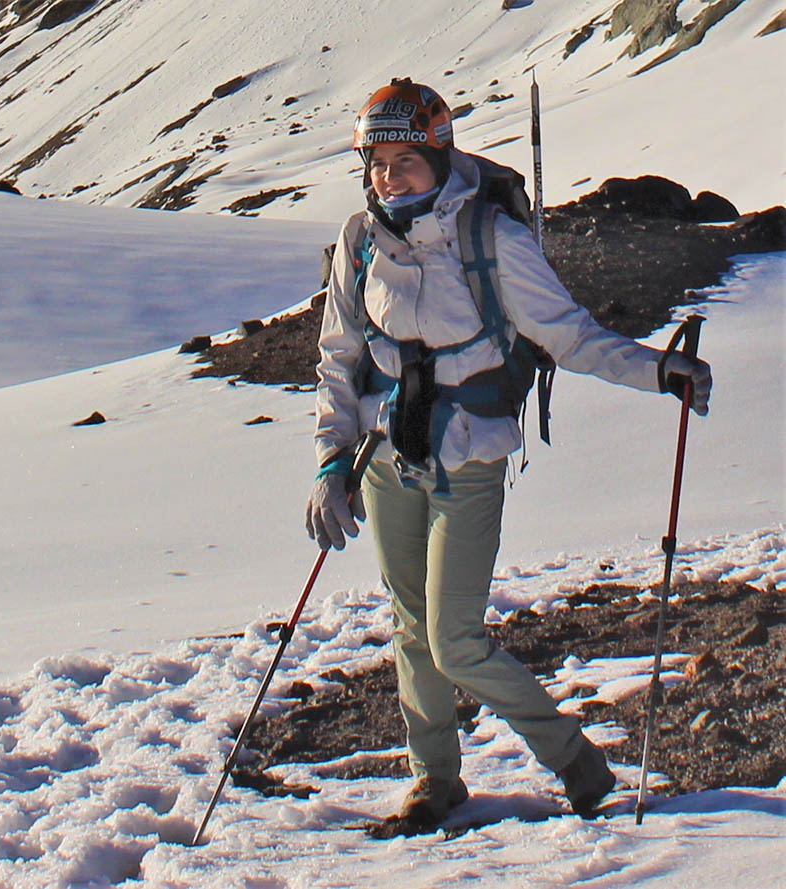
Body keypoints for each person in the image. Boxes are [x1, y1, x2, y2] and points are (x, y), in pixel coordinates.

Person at [305, 78, 712, 823]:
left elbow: (570, 335)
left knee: (452, 638)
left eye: (404, 161)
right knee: (408, 624)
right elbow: (339, 358)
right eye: (376, 163)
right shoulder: (359, 243)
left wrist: (658, 370)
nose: (387, 177)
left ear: (440, 153)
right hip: (388, 454)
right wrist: (333, 461)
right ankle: (435, 778)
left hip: (469, 452)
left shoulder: (492, 238)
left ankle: (575, 759)